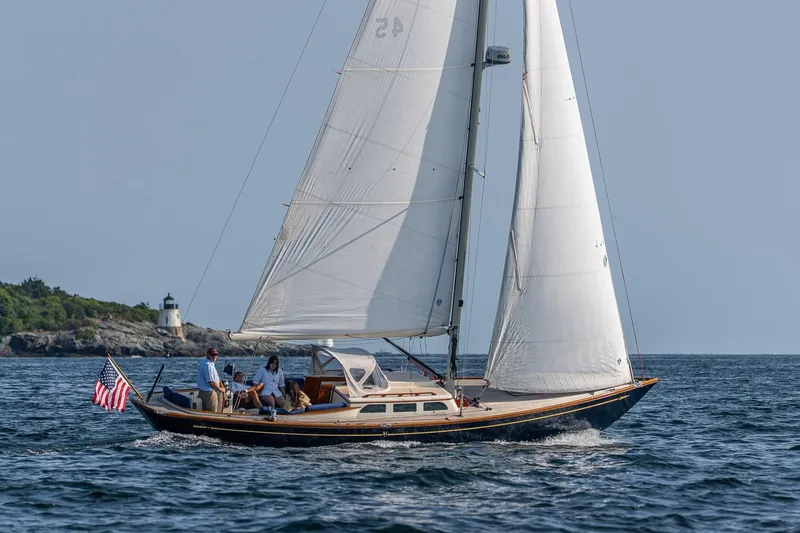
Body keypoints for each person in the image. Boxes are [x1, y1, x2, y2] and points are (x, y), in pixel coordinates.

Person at [197, 348, 225, 412]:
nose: (215, 356)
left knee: (205, 412)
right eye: (212, 355)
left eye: (216, 355)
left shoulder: (205, 363)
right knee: (212, 412)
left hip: (203, 391)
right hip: (209, 393)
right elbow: (211, 382)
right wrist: (220, 389)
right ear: (208, 355)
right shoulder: (208, 365)